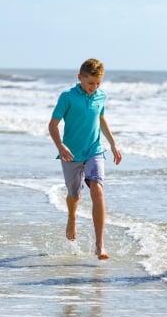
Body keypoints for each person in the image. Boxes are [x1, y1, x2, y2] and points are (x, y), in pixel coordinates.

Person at [48, 58, 122, 260]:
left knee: (97, 191)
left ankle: (100, 245)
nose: (94, 87)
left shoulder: (101, 96)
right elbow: (52, 125)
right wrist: (60, 146)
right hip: (70, 153)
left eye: (98, 83)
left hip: (94, 150)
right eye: (90, 83)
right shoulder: (67, 97)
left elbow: (101, 118)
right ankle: (71, 217)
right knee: (75, 195)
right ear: (80, 78)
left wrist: (113, 144)